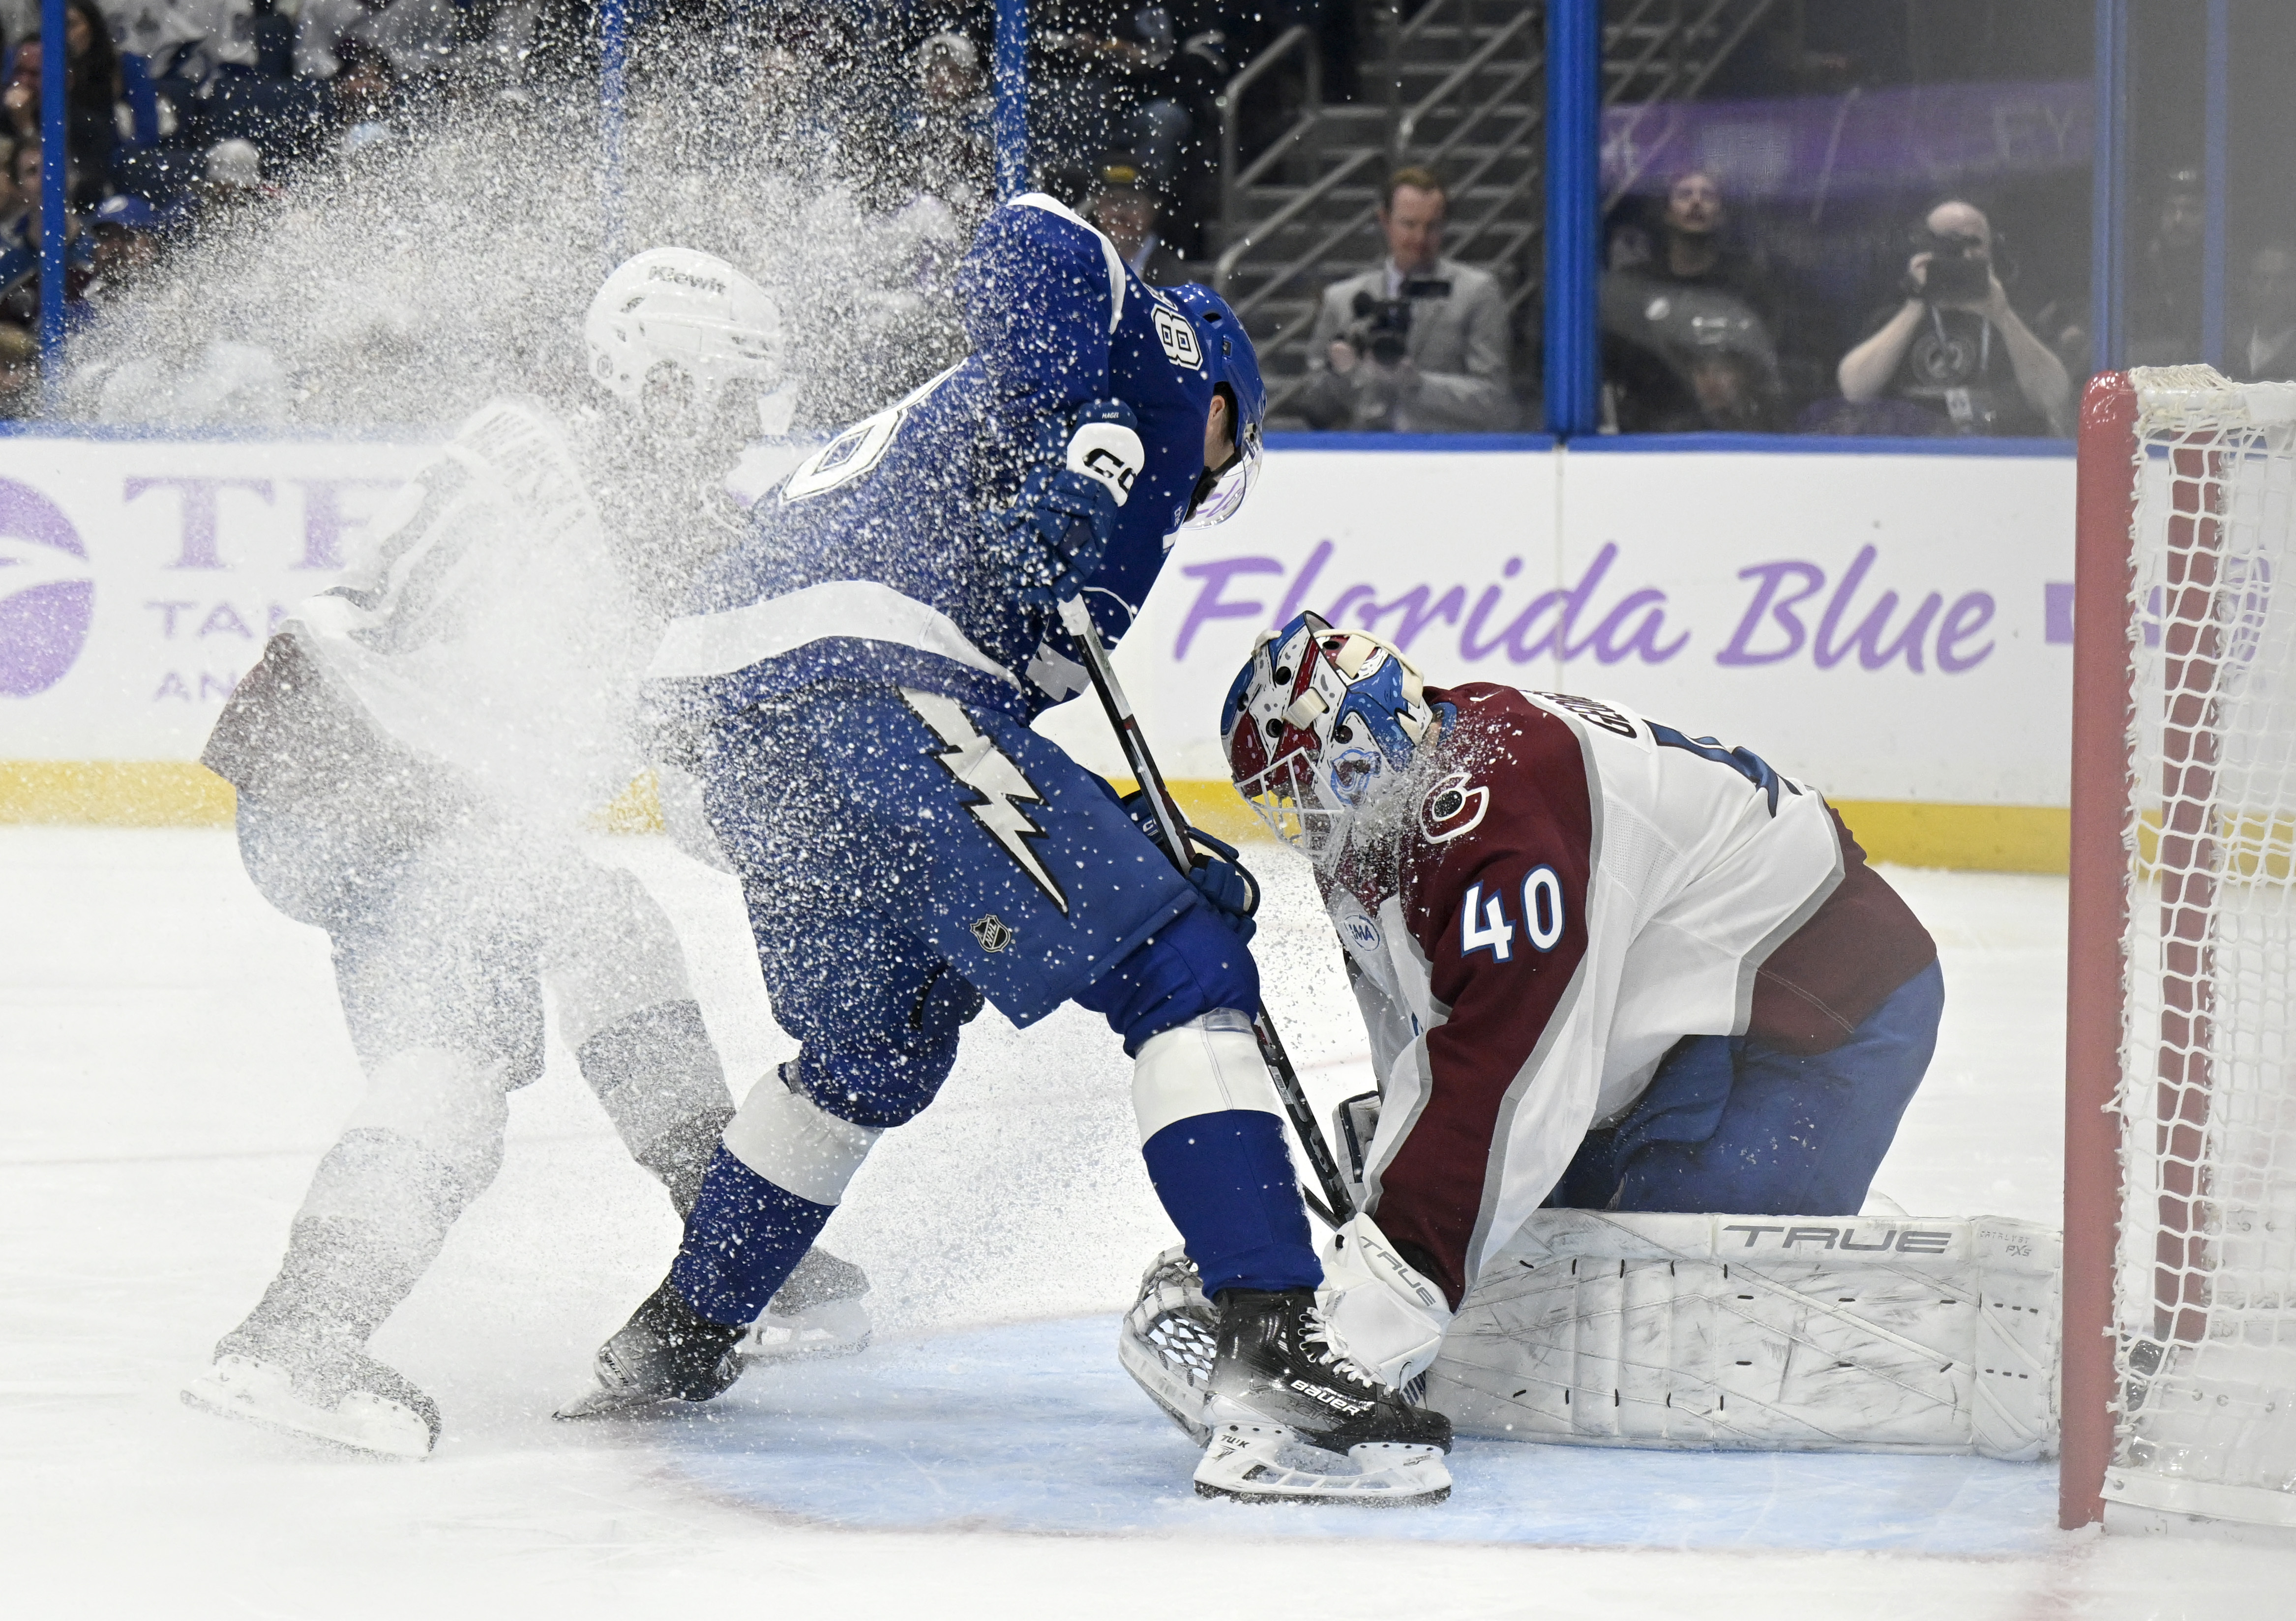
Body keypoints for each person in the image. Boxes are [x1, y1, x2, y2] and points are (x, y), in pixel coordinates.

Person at [557, 194, 1455, 1507]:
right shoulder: (1158, 362)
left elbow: (981, 748)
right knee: (1184, 970)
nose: (1206, 479)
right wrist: (1067, 431)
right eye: (1223, 452)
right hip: (857, 683)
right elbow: (1031, 235)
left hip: (747, 732)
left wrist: (1139, 843)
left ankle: (676, 1336)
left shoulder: (1029, 466)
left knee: (874, 1052)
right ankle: (1268, 1353)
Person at [179, 249, 871, 1461]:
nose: (747, 426)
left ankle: (732, 1238)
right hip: (395, 780)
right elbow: (693, 759)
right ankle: (296, 1333)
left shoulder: (532, 435)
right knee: (457, 1056)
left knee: (604, 927)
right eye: (729, 395)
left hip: (328, 751)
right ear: (659, 383)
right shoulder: (646, 514)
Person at [1122, 614, 1941, 1421]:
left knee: (1670, 1318)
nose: (1298, 821)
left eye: (1303, 785)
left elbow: (1506, 1080)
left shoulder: (1500, 815)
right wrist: (1381, 1214)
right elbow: (1423, 1043)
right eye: (1278, 799)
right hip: (1661, 1028)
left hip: (1829, 1005)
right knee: (1535, 1287)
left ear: (1356, 745)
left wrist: (1361, 1329)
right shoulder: (1377, 819)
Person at [1299, 167, 1513, 433]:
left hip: (1447, 459)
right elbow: (1314, 410)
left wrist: (1418, 384)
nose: (1420, 239)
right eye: (1409, 224)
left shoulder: (1476, 292)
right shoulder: (1342, 300)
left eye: (1432, 226)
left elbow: (1495, 401)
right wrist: (1343, 376)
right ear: (1385, 221)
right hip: (1363, 459)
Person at [1835, 198, 2072, 438]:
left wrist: (2003, 316)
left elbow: (2053, 398)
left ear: (1992, 252)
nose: (1965, 255)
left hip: (1997, 457)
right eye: (1949, 244)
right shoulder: (1894, 318)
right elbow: (1855, 390)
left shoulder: (2015, 322)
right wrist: (1917, 304)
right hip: (1911, 456)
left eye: (1975, 244)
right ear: (1925, 251)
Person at [1601, 169, 1785, 432]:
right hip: (1648, 433)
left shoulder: (1747, 283)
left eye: (1707, 196)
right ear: (1666, 212)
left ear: (1721, 215)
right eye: (1685, 195)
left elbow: (1764, 360)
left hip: (1729, 430)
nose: (1696, 203)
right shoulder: (1637, 283)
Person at [1087, 156, 1189, 285]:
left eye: (1131, 202)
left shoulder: (1176, 279)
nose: (1119, 212)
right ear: (1097, 206)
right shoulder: (1080, 265)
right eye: (1111, 201)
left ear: (1155, 207)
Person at [2232, 243, 2296, 383]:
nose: (2270, 291)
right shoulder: (2227, 344)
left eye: (2282, 281)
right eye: (2261, 279)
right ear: (2247, 284)